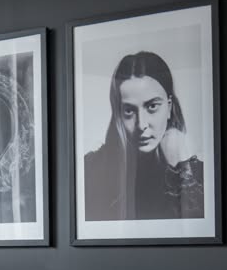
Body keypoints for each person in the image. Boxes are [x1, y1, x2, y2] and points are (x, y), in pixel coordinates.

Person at [84, 50, 204, 221]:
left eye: (152, 106)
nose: (141, 125)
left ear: (169, 107)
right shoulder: (89, 171)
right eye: (129, 111)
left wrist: (181, 166)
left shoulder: (199, 176)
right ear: (117, 114)